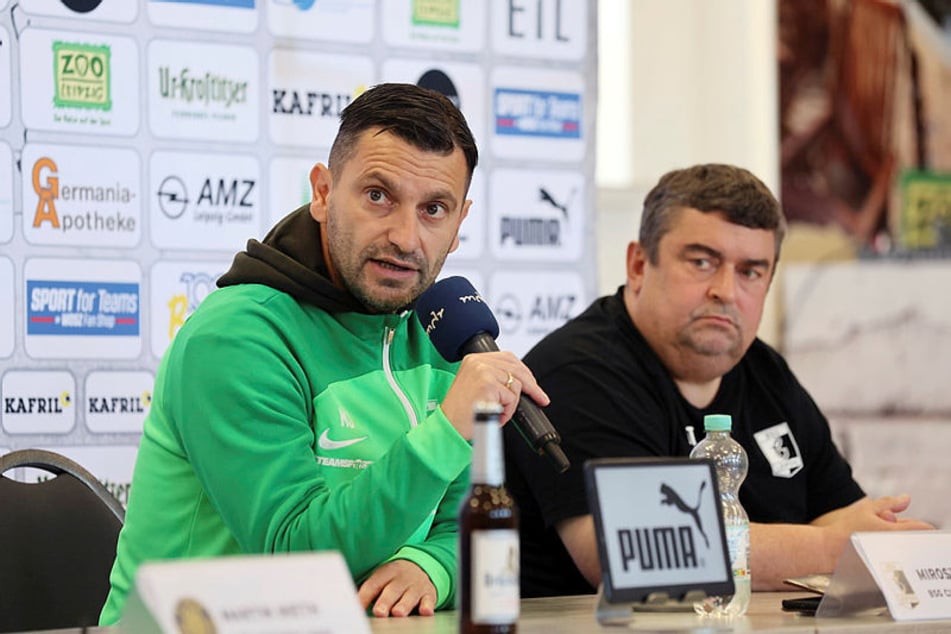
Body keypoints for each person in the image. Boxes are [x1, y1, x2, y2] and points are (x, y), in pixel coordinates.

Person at [100, 83, 548, 623]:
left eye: (434, 209)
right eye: (378, 195)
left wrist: (432, 566)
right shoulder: (237, 337)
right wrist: (446, 431)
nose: (406, 237)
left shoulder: (443, 335)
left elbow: (466, 522)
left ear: (459, 223)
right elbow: (293, 555)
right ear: (323, 192)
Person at [504, 163, 933, 598]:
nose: (726, 291)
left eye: (750, 271)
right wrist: (835, 548)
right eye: (702, 262)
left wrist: (856, 541)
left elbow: (850, 517)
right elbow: (632, 552)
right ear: (638, 264)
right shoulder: (577, 370)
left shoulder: (765, 371)